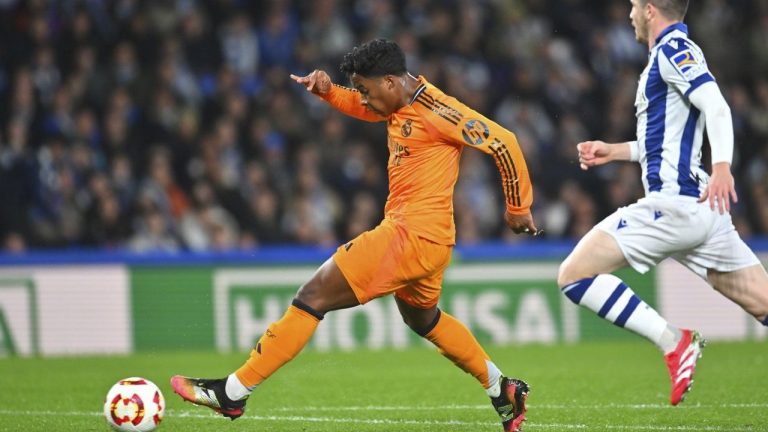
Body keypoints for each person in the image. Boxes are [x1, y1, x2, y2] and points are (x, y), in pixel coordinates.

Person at [171, 38, 540, 432]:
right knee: (423, 319)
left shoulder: (438, 109)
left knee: (312, 297)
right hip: (429, 240)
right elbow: (364, 109)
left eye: (366, 89)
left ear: (391, 81)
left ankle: (233, 392)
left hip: (410, 235)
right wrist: (330, 92)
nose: (364, 98)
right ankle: (501, 388)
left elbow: (504, 142)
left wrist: (517, 209)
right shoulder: (399, 102)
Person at [558, 0, 768, 406]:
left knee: (573, 275)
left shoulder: (673, 49)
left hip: (676, 207)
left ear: (651, 9)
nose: (629, 14)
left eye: (635, 5)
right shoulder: (665, 56)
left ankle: (673, 341)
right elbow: (666, 143)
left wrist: (723, 165)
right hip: (704, 210)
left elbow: (718, 106)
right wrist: (615, 151)